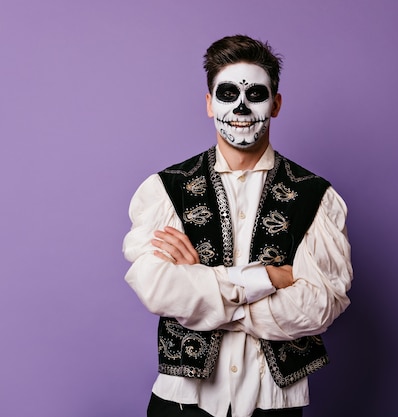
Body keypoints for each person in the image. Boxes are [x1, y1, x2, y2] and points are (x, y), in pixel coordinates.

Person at [123, 34, 353, 417]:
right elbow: (159, 290)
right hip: (182, 401)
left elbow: (320, 305)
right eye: (228, 94)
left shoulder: (317, 197)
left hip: (274, 402)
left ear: (276, 104)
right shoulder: (166, 190)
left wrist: (203, 286)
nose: (242, 107)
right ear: (210, 105)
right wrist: (267, 279)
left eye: (256, 94)